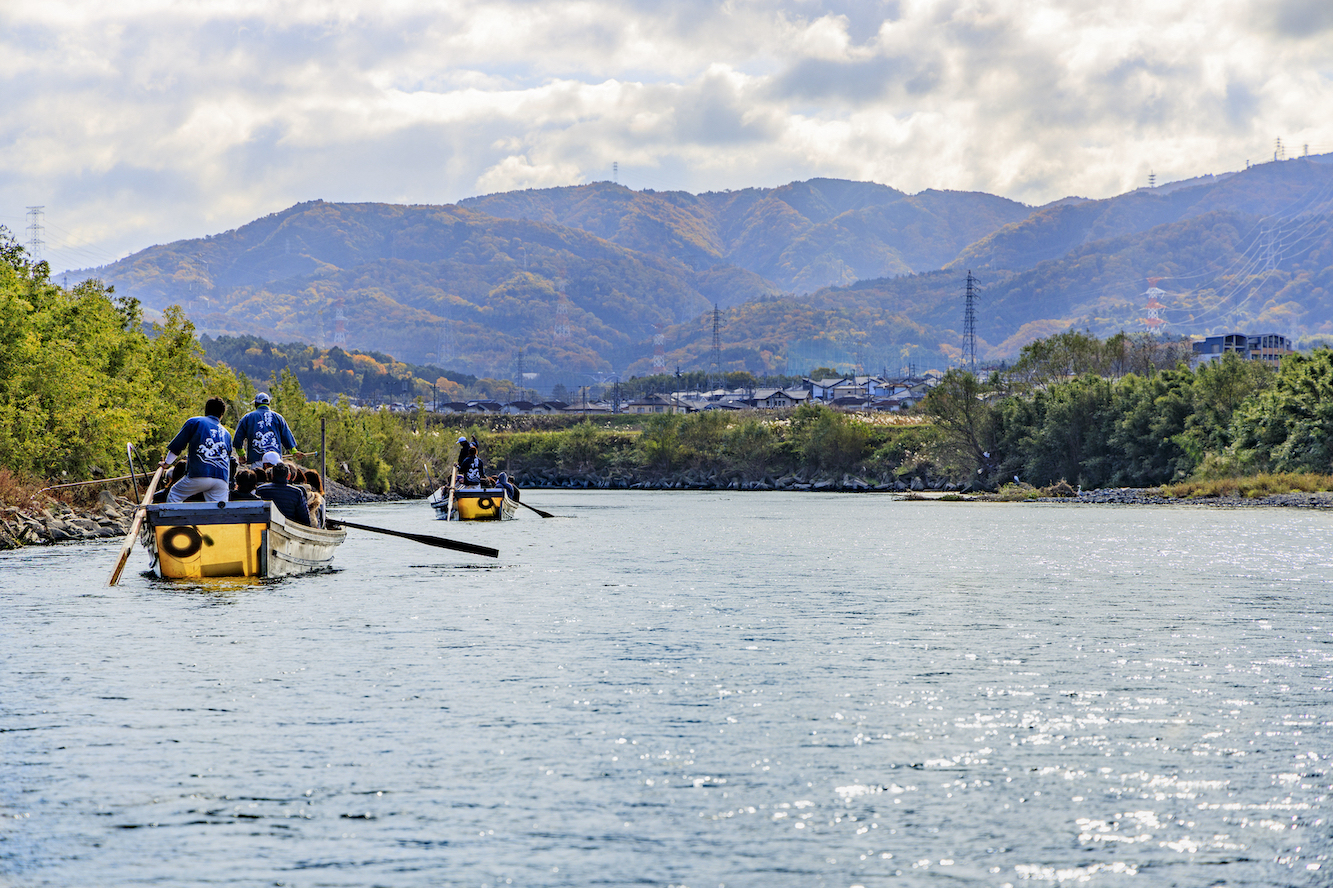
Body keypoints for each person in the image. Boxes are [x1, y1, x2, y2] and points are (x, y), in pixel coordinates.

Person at [160, 397, 233, 503]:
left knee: (175, 494)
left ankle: (175, 519)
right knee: (217, 511)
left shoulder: (195, 422)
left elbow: (177, 446)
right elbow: (228, 458)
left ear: (206, 410)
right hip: (222, 479)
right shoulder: (227, 433)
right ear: (222, 415)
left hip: (200, 474)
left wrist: (166, 464)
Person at [233, 391, 297, 468]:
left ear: (255, 404)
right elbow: (287, 437)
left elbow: (237, 440)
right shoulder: (278, 417)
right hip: (275, 460)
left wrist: (241, 455)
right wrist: (294, 452)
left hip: (257, 459)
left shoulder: (247, 417)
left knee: (259, 479)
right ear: (269, 404)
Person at [254, 462, 311, 526]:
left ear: (272, 475)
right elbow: (305, 519)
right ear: (289, 476)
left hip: (266, 526)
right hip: (289, 529)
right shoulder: (296, 492)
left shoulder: (261, 490)